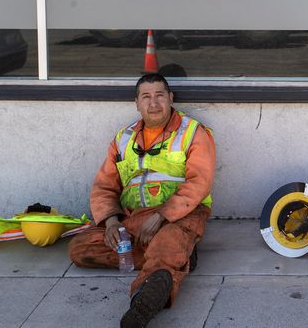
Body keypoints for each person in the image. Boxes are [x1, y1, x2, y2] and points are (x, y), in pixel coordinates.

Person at [69, 73, 215, 327]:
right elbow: (104, 185)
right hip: (133, 218)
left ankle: (143, 299)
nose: (154, 103)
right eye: (146, 97)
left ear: (171, 98)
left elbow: (199, 183)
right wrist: (112, 222)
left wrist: (162, 216)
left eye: (160, 95)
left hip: (180, 215)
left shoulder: (193, 132)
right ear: (136, 103)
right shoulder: (123, 138)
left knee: (169, 238)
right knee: (81, 249)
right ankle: (176, 256)